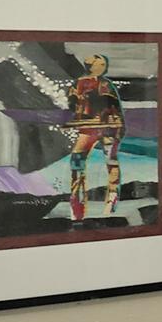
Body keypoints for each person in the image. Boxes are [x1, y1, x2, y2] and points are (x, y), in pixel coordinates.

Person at [62, 51, 125, 221]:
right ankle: (77, 203)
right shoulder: (79, 84)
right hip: (89, 128)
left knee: (110, 161)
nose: (103, 68)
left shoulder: (105, 84)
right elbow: (72, 106)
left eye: (103, 65)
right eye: (100, 65)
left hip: (107, 128)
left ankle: (112, 198)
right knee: (77, 161)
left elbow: (114, 107)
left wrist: (118, 127)